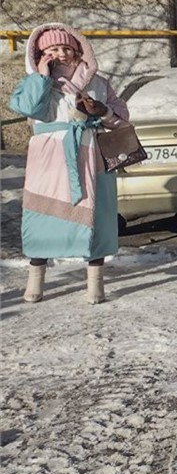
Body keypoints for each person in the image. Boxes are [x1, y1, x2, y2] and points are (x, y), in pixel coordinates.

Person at [9, 23, 131, 305]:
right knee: (43, 216)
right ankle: (36, 279)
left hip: (91, 154)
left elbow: (122, 116)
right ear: (41, 54)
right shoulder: (33, 81)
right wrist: (41, 76)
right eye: (53, 49)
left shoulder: (98, 82)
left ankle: (95, 284)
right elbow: (28, 108)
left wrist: (103, 111)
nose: (62, 54)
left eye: (67, 48)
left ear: (78, 51)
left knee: (97, 218)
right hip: (49, 158)